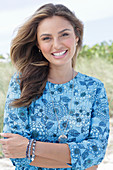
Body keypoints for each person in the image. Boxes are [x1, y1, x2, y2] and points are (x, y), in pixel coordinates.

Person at [0, 3, 109, 170]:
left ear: (77, 36)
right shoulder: (22, 84)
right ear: (37, 44)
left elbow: (96, 153)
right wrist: (77, 160)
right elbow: (16, 155)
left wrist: (30, 147)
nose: (57, 45)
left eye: (64, 34)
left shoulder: (94, 88)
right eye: (46, 38)